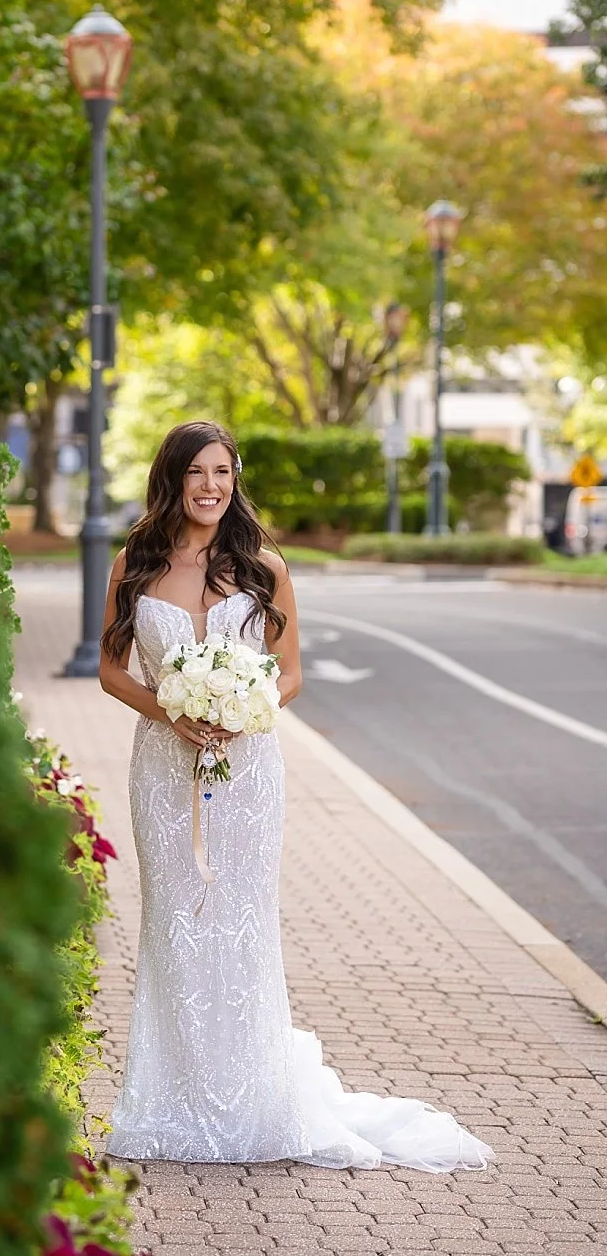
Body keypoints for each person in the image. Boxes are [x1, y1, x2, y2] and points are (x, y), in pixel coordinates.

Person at [98, 419, 493, 1170]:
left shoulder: (264, 566)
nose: (212, 486)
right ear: (173, 479)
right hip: (162, 768)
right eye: (197, 473)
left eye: (224, 471)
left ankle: (250, 1099)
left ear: (235, 478)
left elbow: (290, 673)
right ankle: (171, 1099)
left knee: (242, 926)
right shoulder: (135, 563)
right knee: (175, 924)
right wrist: (170, 713)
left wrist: (245, 711)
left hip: (247, 772)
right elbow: (113, 671)